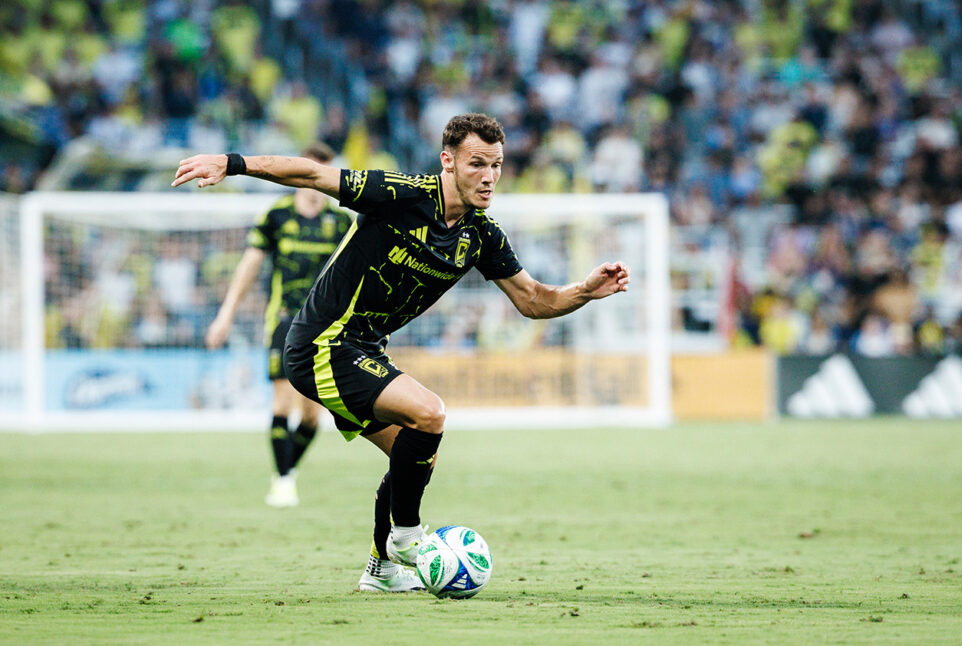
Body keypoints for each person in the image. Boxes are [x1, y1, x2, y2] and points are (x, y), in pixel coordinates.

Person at [172, 113, 630, 593]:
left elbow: (534, 300)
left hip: (364, 349)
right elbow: (311, 173)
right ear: (447, 161)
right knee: (429, 413)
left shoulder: (481, 235)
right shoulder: (401, 193)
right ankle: (408, 537)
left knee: (415, 457)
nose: (490, 176)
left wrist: (584, 290)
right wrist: (232, 162)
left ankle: (381, 569)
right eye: (477, 164)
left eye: (496, 165)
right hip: (321, 344)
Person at [205, 142, 353, 508]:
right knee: (282, 401)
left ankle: (285, 472)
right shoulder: (277, 216)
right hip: (285, 320)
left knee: (312, 416)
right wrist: (226, 314)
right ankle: (284, 479)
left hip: (326, 326)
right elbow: (248, 267)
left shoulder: (341, 223)